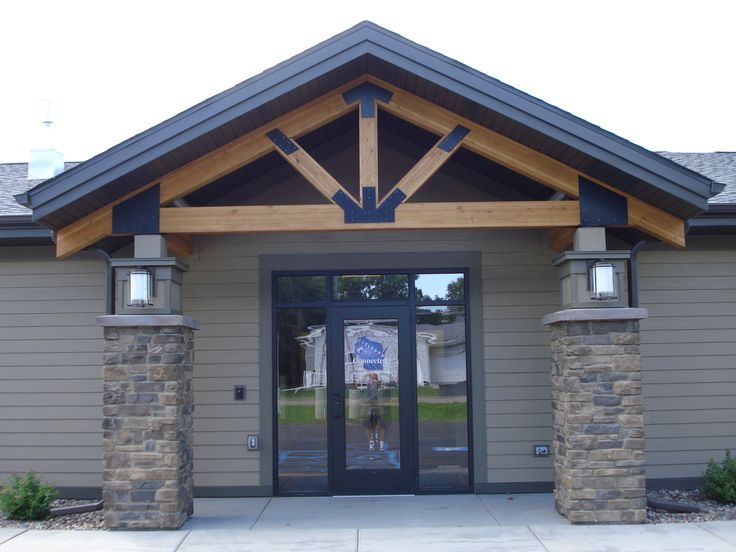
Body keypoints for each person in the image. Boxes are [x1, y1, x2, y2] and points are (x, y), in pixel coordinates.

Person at [365, 372, 386, 451]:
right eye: (372, 377)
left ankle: (381, 443)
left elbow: (379, 388)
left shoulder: (378, 385)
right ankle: (371, 442)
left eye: (374, 377)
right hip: (371, 407)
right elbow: (367, 395)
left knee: (381, 425)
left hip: (378, 407)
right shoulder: (369, 385)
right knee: (370, 425)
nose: (373, 378)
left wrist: (375, 382)